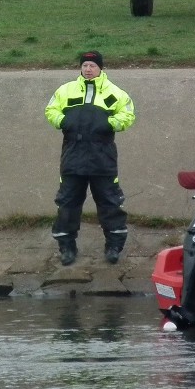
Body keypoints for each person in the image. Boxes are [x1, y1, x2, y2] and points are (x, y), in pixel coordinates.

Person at [45, 50, 136, 265]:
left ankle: (114, 246)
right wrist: (62, 121)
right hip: (72, 158)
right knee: (67, 203)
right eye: (85, 65)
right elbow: (51, 110)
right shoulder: (65, 90)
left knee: (110, 202)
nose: (88, 69)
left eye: (92, 66)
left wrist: (110, 124)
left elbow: (128, 114)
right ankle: (67, 247)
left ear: (100, 68)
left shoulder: (115, 93)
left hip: (102, 158)